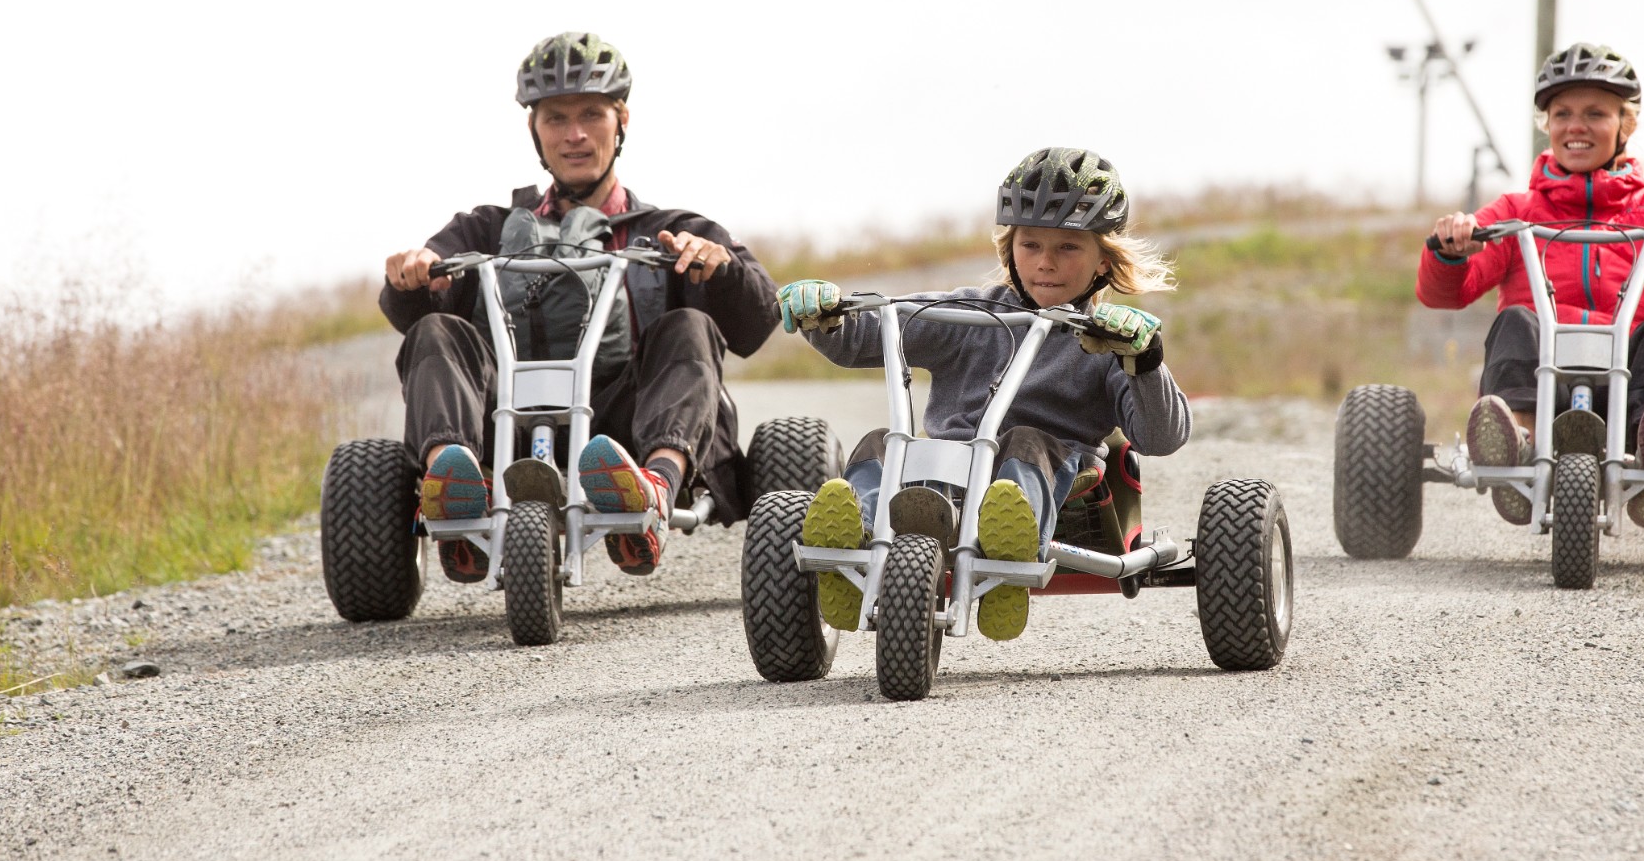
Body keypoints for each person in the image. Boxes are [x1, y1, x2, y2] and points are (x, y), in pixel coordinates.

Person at [380, 31, 779, 580]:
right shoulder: (485, 229)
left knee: (690, 324)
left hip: (626, 430)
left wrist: (722, 270)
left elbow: (756, 325)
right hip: (503, 425)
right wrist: (411, 275)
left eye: (592, 115)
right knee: (436, 330)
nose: (575, 135)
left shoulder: (671, 232)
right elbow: (410, 313)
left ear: (622, 122)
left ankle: (654, 491)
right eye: (556, 119)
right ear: (533, 130)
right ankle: (453, 487)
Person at [776, 148, 1192, 641]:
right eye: (1031, 245)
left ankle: (1007, 555)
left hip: (1047, 470)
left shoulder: (1109, 338)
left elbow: (1162, 436)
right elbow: (866, 337)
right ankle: (853, 548)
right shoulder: (973, 313)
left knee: (1025, 442)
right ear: (1009, 249)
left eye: (1068, 248)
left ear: (1104, 257)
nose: (1045, 264)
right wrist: (824, 316)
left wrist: (1144, 360)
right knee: (880, 444)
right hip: (944, 472)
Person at [1419, 42, 1644, 528]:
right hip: (1539, 389)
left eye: (1595, 113)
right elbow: (1444, 294)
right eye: (1562, 113)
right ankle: (1515, 440)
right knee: (1516, 320)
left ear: (1626, 124)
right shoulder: (1517, 214)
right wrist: (1450, 249)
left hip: (1631, 393)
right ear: (1547, 125)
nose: (1575, 126)